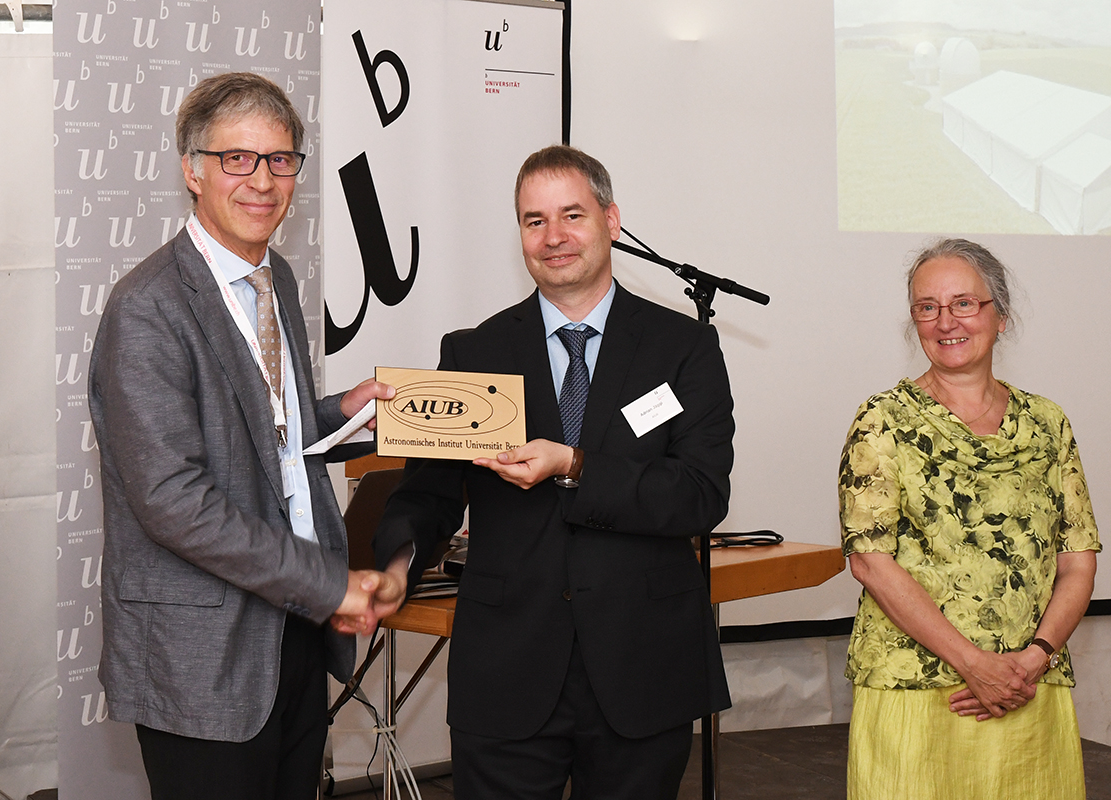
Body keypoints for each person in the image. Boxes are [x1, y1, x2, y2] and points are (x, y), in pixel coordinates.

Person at [373, 145, 734, 799]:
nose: (554, 237)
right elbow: (427, 492)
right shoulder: (473, 353)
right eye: (534, 220)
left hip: (643, 672)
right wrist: (397, 562)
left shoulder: (683, 348)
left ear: (612, 220)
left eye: (572, 214)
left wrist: (574, 464)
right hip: (507, 674)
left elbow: (699, 496)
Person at [88, 72, 404, 800]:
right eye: (238, 158)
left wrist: (342, 414)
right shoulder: (148, 309)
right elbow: (173, 500)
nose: (263, 180)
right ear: (191, 171)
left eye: (281, 159)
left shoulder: (276, 278)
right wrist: (329, 582)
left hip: (291, 630)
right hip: (206, 654)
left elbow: (265, 437)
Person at [839, 238, 1101, 799]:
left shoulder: (1048, 422)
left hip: (1029, 688)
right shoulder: (882, 420)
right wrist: (975, 665)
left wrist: (1034, 658)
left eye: (964, 303)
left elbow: (1078, 562)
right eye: (926, 307)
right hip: (918, 689)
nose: (945, 321)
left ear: (999, 316)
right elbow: (870, 563)